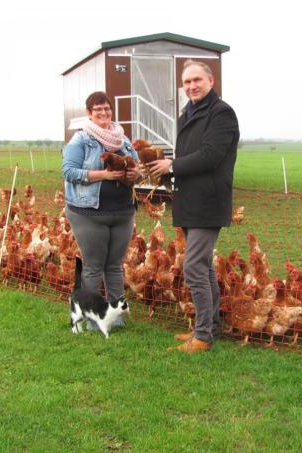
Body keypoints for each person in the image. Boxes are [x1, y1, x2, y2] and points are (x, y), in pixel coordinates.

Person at [147, 60, 239, 353]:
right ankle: (209, 327)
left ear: (211, 81)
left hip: (209, 201)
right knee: (204, 269)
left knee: (193, 267)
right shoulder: (188, 112)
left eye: (196, 80)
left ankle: (202, 337)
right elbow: (188, 153)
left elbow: (211, 155)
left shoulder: (221, 113)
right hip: (190, 199)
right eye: (186, 83)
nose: (191, 86)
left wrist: (172, 165)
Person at [62, 91, 143, 329]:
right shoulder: (81, 140)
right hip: (89, 213)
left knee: (115, 266)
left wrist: (135, 174)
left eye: (106, 108)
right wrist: (104, 175)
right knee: (95, 266)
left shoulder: (124, 140)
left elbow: (138, 169)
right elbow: (69, 172)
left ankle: (114, 317)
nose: (103, 113)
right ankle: (91, 318)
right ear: (89, 113)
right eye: (97, 109)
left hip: (122, 213)